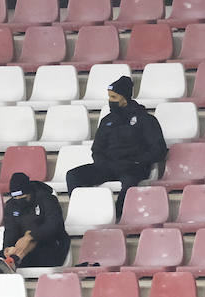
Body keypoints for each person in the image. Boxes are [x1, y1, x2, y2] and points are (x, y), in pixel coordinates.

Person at [65, 75, 167, 216]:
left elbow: (159, 150)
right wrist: (102, 163)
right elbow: (97, 149)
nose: (110, 101)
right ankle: (84, 213)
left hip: (133, 167)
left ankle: (118, 216)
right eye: (109, 97)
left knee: (130, 182)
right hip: (108, 166)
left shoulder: (146, 119)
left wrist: (137, 161)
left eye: (114, 97)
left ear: (124, 98)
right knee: (73, 176)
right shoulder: (107, 120)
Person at [0, 173, 70, 274]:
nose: (18, 199)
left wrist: (29, 237)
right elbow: (10, 231)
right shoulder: (11, 206)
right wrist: (8, 248)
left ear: (28, 192)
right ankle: (7, 274)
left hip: (50, 249)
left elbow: (54, 225)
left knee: (31, 238)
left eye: (21, 195)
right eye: (14, 196)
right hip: (23, 251)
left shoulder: (47, 200)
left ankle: (14, 260)